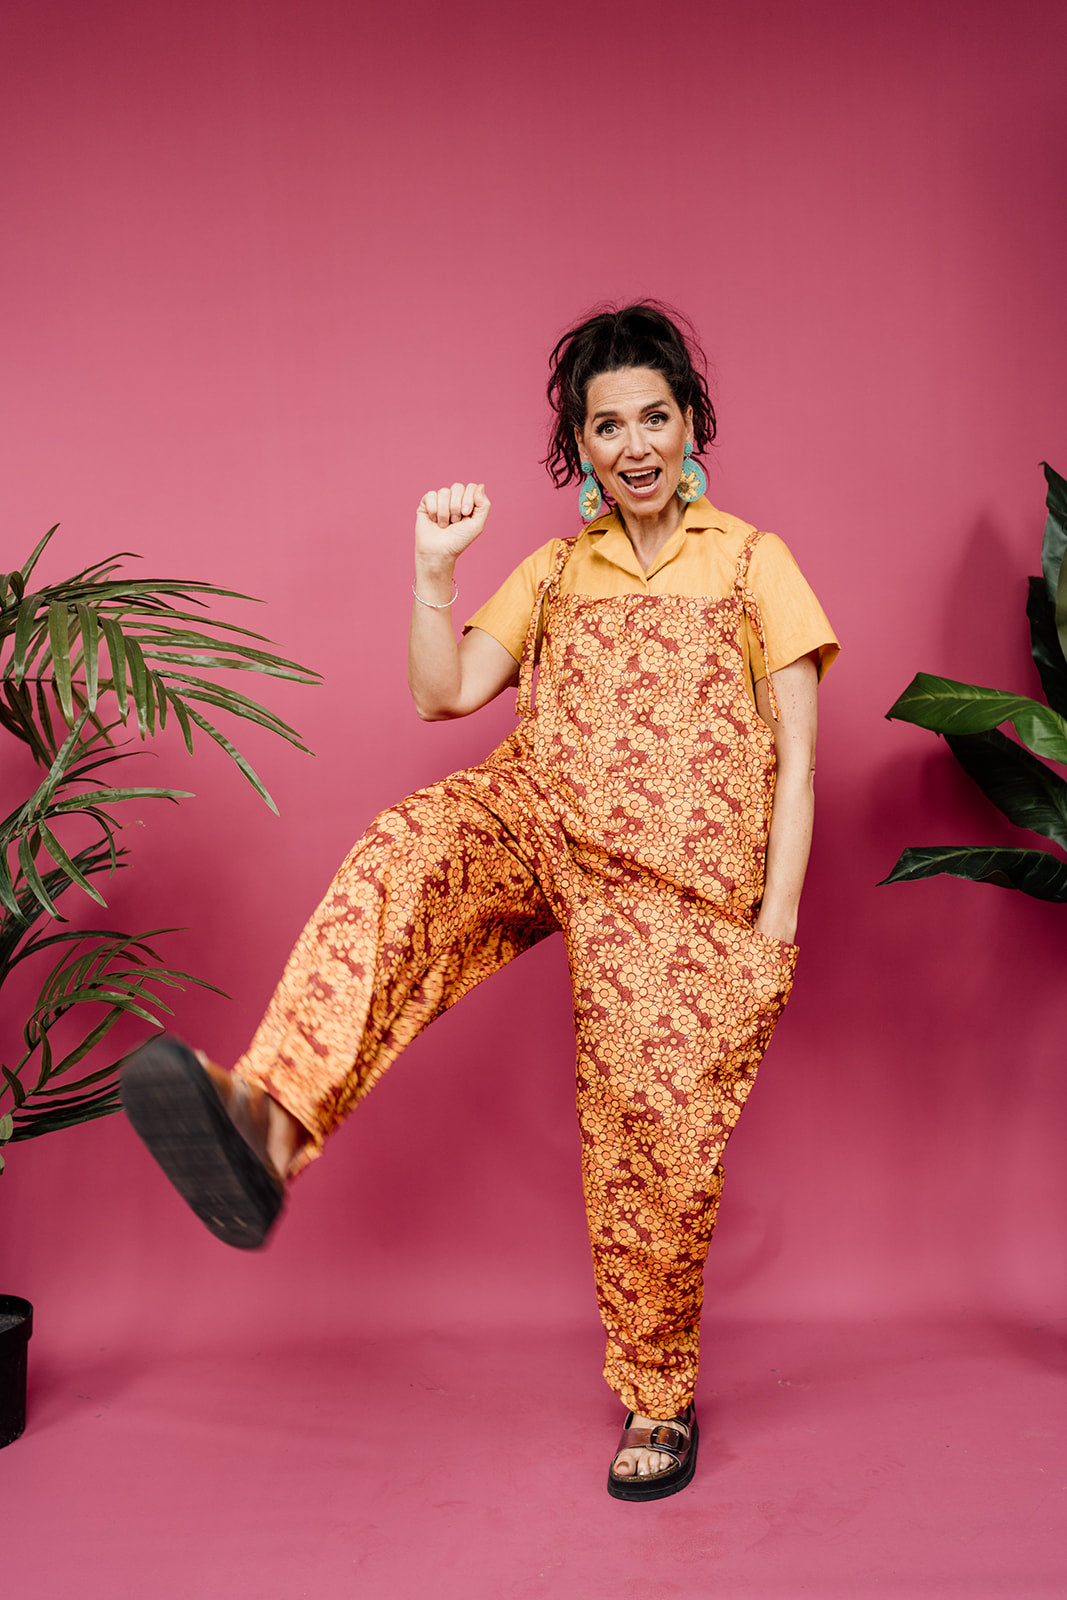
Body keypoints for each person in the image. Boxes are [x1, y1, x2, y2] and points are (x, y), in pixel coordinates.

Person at [123, 302, 838, 1501]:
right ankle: (266, 1115)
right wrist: (430, 570)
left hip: (676, 906)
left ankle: (657, 1400)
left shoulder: (756, 561)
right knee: (408, 850)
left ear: (689, 423)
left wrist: (771, 929)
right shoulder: (556, 571)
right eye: (605, 424)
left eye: (653, 415)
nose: (633, 442)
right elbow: (443, 690)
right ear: (580, 446)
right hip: (541, 821)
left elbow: (800, 765)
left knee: (647, 1158)